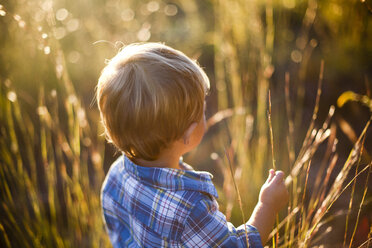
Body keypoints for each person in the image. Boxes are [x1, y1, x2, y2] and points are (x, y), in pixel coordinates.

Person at [97, 42, 289, 247]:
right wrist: (267, 206)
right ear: (188, 133)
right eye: (203, 111)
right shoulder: (190, 208)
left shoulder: (116, 175)